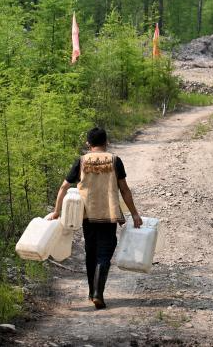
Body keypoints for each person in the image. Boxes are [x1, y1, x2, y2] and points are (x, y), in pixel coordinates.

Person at [50, 127, 142, 310]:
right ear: (106, 142)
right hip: (108, 216)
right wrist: (134, 214)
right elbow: (124, 190)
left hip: (87, 216)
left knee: (91, 253)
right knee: (104, 254)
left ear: (88, 144)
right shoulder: (115, 160)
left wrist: (57, 211)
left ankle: (92, 293)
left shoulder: (82, 161)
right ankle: (98, 293)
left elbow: (64, 187)